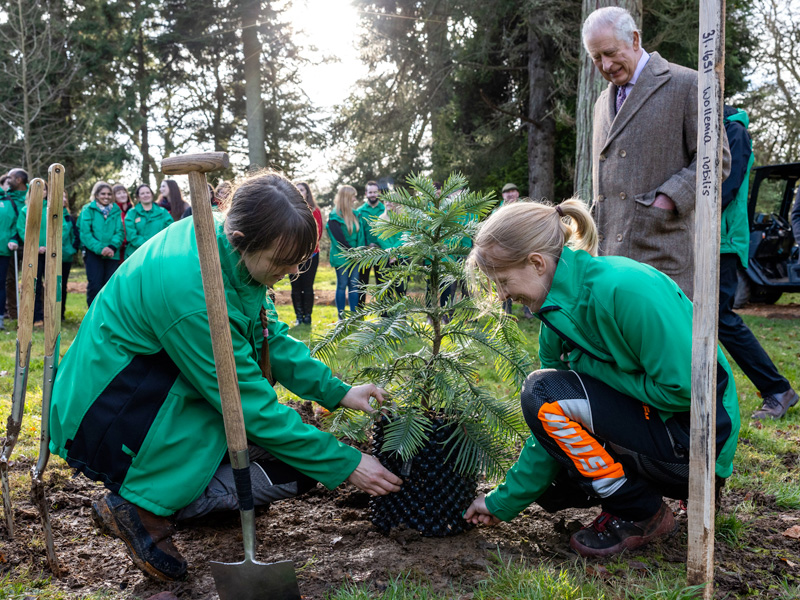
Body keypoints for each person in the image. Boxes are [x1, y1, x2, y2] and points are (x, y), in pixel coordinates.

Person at [49, 171, 403, 582]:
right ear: (241, 239)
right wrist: (348, 463)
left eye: (300, 260)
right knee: (303, 462)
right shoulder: (195, 290)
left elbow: (270, 336)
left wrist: (338, 392)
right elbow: (246, 405)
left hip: (162, 395)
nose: (292, 272)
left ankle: (198, 495)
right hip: (115, 414)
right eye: (281, 262)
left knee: (298, 460)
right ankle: (143, 505)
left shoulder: (229, 250)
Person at [463, 200, 739, 558]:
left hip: (696, 446)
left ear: (536, 262)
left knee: (542, 391)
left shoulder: (626, 289)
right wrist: (503, 501)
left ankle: (641, 512)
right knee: (552, 481)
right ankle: (636, 496)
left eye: (503, 281)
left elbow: (685, 390)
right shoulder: (554, 317)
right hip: (656, 433)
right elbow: (549, 419)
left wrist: (590, 369)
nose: (502, 295)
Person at [584, 6, 729, 299]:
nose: (606, 65)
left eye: (611, 52)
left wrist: (667, 200)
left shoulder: (689, 84)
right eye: (597, 57)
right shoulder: (600, 103)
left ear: (635, 40)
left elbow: (717, 160)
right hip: (610, 262)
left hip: (662, 255)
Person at [718, 107, 798, 420]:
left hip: (722, 239)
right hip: (700, 238)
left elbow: (725, 187)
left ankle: (777, 389)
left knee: (719, 317)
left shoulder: (734, 131)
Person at [79, 181, 123, 306]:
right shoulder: (88, 209)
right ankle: (93, 314)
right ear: (97, 195)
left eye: (109, 194)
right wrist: (100, 249)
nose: (106, 196)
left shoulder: (116, 210)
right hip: (93, 253)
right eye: (103, 194)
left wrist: (112, 247)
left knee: (110, 286)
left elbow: (119, 231)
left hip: (112, 253)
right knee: (95, 285)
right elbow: (85, 233)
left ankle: (108, 314)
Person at [14, 181, 49, 325]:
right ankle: (36, 317)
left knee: (51, 285)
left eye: (44, 190)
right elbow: (22, 230)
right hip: (33, 253)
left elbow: (61, 228)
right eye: (37, 189)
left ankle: (50, 316)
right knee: (35, 285)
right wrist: (36, 246)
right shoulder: (25, 210)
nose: (42, 192)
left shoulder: (52, 209)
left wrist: (49, 246)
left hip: (51, 253)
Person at [327, 185, 365, 317]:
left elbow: (361, 235)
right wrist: (351, 252)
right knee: (342, 285)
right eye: (353, 196)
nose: (355, 199)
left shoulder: (356, 214)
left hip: (356, 256)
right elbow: (338, 239)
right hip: (341, 256)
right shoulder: (334, 217)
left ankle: (354, 316)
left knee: (354, 286)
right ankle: (341, 317)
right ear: (347, 197)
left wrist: (360, 252)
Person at [290, 181, 323, 326]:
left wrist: (307, 250)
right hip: (293, 256)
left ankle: (307, 316)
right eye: (297, 189)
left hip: (311, 255)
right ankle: (299, 316)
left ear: (307, 193)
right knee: (295, 286)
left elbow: (318, 233)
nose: (299, 192)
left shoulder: (315, 211)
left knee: (308, 286)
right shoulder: (288, 209)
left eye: (302, 190)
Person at [4, 169, 28, 320]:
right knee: (10, 280)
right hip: (11, 245)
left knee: (31, 278)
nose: (8, 180)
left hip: (29, 244)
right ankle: (13, 313)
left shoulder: (33, 195)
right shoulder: (7, 197)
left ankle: (32, 312)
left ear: (19, 180)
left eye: (10, 177)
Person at [124, 184, 174, 258]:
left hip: (158, 252)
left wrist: (157, 245)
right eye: (142, 193)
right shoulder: (131, 213)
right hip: (137, 254)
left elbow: (170, 230)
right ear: (138, 197)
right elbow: (131, 235)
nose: (145, 195)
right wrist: (147, 245)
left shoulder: (163, 212)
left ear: (152, 195)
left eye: (148, 192)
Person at [356, 180, 384, 307]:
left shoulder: (384, 209)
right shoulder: (360, 211)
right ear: (366, 194)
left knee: (382, 284)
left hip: (381, 252)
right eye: (370, 192)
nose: (373, 195)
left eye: (375, 192)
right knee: (362, 283)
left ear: (379, 193)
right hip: (365, 253)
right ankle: (360, 312)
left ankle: (383, 312)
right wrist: (364, 248)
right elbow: (359, 233)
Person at [61, 191, 79, 321]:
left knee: (62, 286)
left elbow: (75, 236)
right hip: (46, 256)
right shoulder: (45, 214)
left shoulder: (69, 218)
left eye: (65, 197)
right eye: (60, 196)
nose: (63, 199)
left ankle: (60, 314)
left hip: (65, 257)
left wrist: (71, 250)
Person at [112, 184, 134, 260]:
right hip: (119, 247)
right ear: (114, 196)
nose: (122, 195)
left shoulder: (133, 210)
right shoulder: (114, 211)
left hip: (131, 246)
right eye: (119, 193)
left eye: (124, 192)